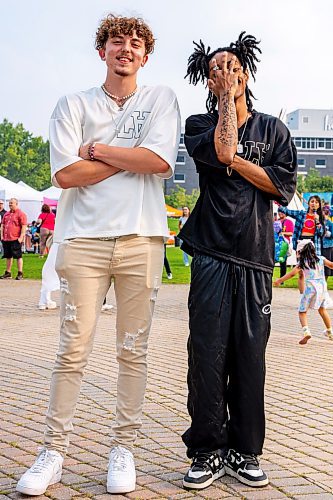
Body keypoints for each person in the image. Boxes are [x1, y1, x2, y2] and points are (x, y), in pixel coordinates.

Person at [16, 13, 180, 497]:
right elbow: (65, 175)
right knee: (72, 351)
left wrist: (100, 151)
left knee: (133, 352)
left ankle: (122, 449)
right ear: (102, 51)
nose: (125, 48)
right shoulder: (73, 103)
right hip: (83, 240)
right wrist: (126, 157)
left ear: (145, 55)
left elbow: (160, 162)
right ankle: (53, 451)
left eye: (134, 43)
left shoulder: (160, 99)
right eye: (115, 41)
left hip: (141, 238)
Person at [178, 33, 297, 490]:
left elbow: (280, 188)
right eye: (215, 70)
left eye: (231, 67)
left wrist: (249, 168)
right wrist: (226, 106)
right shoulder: (197, 125)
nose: (224, 74)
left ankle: (245, 451)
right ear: (206, 82)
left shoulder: (274, 131)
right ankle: (206, 451)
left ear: (246, 72)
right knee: (206, 355)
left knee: (250, 358)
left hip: (255, 258)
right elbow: (224, 151)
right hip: (210, 253)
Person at [274, 240, 333, 344]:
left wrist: (279, 280)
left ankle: (306, 332)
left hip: (310, 289)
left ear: (301, 251)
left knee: (302, 311)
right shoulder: (321, 259)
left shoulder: (302, 263)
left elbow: (292, 274)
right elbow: (331, 265)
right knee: (322, 310)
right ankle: (330, 331)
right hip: (322, 288)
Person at [0, 198, 27, 280]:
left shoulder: (21, 214)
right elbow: (2, 225)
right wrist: (1, 236)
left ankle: (20, 273)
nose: (10, 204)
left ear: (16, 204)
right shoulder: (6, 214)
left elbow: (24, 226)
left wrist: (21, 237)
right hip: (6, 239)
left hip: (15, 238)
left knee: (18, 256)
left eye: (12, 203)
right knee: (8, 256)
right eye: (9, 203)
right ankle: (8, 273)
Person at [278, 210, 294, 277]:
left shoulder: (289, 222)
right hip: (275, 242)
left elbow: (291, 233)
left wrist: (282, 233)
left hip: (284, 244)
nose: (280, 213)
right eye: (279, 211)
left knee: (282, 261)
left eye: (282, 212)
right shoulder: (276, 221)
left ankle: (282, 279)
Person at [322, 206, 333, 282]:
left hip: (328, 246)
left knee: (326, 266)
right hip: (319, 246)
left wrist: (329, 234)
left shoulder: (330, 223)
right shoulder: (319, 222)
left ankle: (324, 283)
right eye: (324, 211)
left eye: (326, 212)